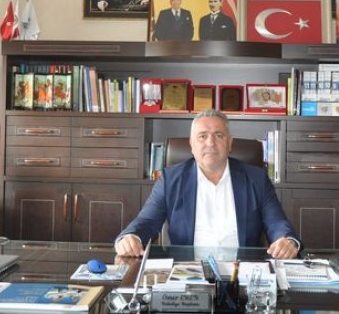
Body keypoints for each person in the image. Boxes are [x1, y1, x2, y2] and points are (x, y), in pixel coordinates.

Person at [115, 109, 301, 259]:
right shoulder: (170, 180)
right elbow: (147, 221)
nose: (210, 143)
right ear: (191, 144)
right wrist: (130, 237)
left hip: (242, 273)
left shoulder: (256, 178)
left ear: (229, 143)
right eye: (202, 136)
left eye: (218, 135)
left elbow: (276, 222)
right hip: (188, 273)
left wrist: (286, 240)